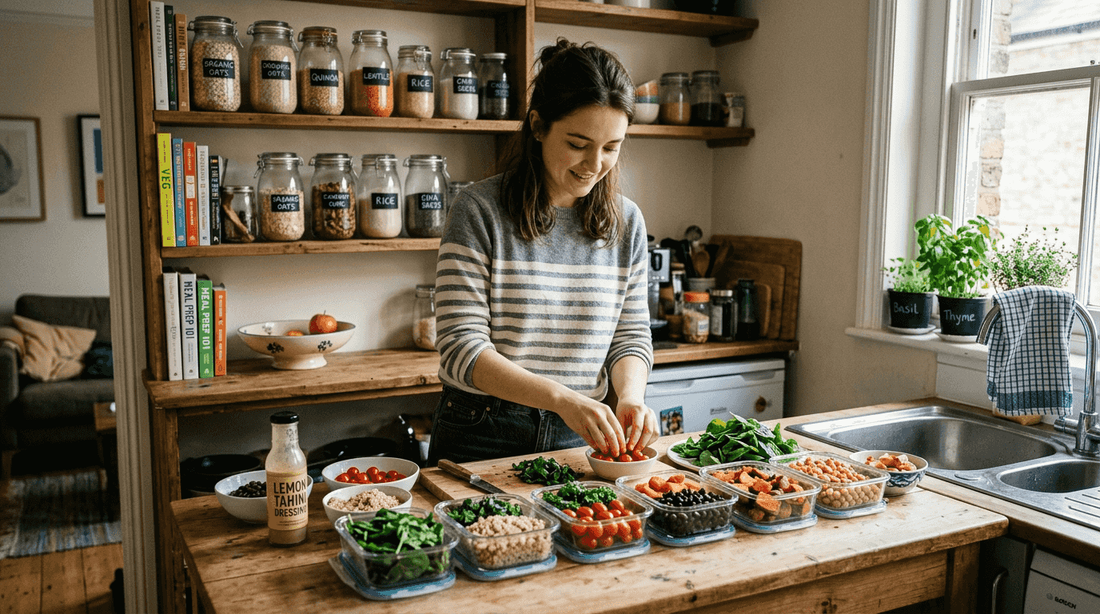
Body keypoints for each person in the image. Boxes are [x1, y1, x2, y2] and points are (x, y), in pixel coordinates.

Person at [427, 38, 658, 465]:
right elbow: (462, 348)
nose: (594, 164)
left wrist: (630, 395)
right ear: (537, 126)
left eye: (611, 147)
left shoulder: (628, 222)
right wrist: (561, 399)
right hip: (483, 429)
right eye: (578, 143)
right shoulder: (478, 211)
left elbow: (630, 336)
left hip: (583, 433)